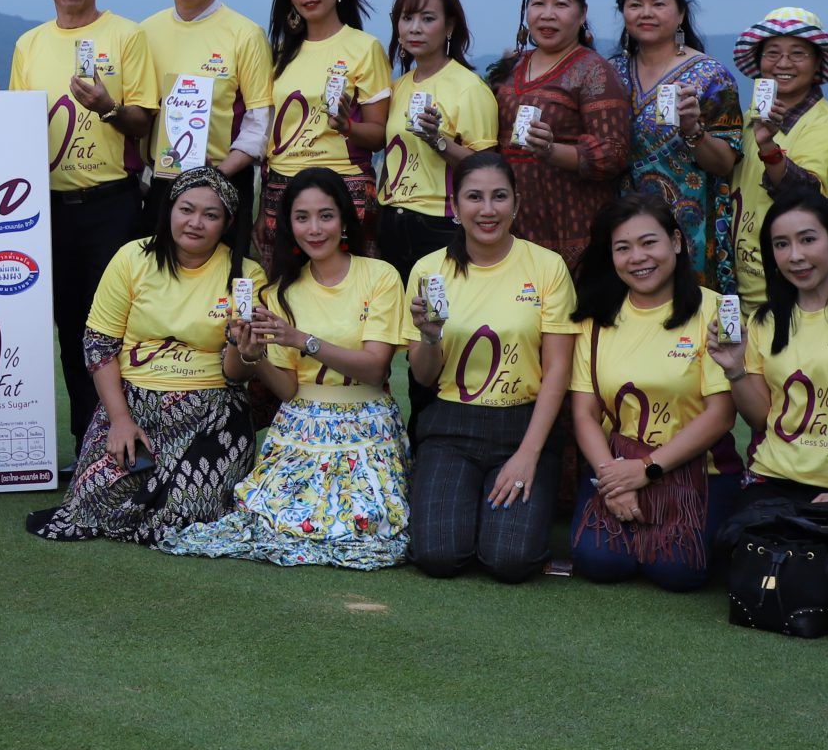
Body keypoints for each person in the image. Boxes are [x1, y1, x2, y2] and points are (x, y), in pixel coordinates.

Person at [162, 168, 416, 570]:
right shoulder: (278, 291)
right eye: (302, 218)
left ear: (344, 219)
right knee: (275, 523)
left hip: (367, 421)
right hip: (300, 425)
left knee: (365, 527)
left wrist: (301, 339)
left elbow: (374, 368)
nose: (314, 229)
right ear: (289, 225)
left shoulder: (379, 275)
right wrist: (253, 353)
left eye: (325, 216)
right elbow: (287, 391)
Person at [28, 166, 262, 547]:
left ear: (228, 223)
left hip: (213, 411)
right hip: (135, 404)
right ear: (169, 209)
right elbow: (99, 345)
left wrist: (243, 350)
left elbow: (235, 375)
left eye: (211, 215)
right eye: (186, 209)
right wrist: (120, 420)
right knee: (92, 502)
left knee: (188, 513)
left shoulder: (246, 277)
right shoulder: (132, 259)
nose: (196, 223)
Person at [7, 0, 158, 456]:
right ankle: (87, 442)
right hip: (46, 209)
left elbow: (144, 121)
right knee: (70, 327)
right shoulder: (29, 44)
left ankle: (131, 438)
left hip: (112, 204)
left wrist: (108, 108)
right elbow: (16, 125)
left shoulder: (127, 35)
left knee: (118, 325)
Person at [404, 151, 577, 582]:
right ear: (454, 205)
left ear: (516, 203)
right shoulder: (430, 269)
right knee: (438, 556)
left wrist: (529, 454)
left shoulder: (547, 266)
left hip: (523, 425)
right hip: (450, 426)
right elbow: (423, 376)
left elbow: (558, 370)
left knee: (510, 560)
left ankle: (502, 516)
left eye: (499, 196)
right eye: (474, 197)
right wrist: (430, 336)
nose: (487, 209)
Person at [562, 193, 736, 591]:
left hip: (696, 469)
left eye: (648, 242)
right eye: (623, 248)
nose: (637, 257)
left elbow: (722, 414)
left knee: (679, 570)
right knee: (598, 561)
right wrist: (612, 479)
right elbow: (585, 414)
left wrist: (646, 470)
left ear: (675, 241)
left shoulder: (714, 310)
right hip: (616, 463)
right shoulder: (595, 319)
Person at [709, 189, 828, 505]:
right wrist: (735, 370)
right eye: (781, 244)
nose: (795, 256)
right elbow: (760, 418)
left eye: (808, 239)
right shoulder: (763, 320)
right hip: (770, 478)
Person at [609, 0, 744, 292]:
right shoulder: (611, 73)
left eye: (659, 4)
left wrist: (693, 131)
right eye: (635, 4)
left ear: (681, 13)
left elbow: (725, 163)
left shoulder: (711, 76)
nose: (646, 13)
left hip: (692, 226)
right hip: (626, 229)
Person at [486, 0, 629, 272]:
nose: (547, 14)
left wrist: (551, 151)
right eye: (538, 3)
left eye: (561, 4)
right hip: (511, 220)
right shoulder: (511, 66)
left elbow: (614, 153)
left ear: (582, 13)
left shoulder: (594, 71)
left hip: (571, 222)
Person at [138, 0, 273, 244]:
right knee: (156, 271)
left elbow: (260, 123)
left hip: (225, 179)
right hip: (161, 181)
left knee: (222, 273)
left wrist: (216, 174)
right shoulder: (144, 32)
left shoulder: (245, 34)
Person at [259, 0, 389, 267]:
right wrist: (262, 207)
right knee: (283, 287)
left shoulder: (364, 48)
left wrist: (348, 127)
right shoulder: (279, 53)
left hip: (344, 189)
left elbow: (378, 135)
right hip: (281, 189)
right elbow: (270, 135)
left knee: (348, 287)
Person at [725, 7, 828, 311]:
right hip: (746, 285)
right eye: (772, 53)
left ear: (817, 63)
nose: (783, 63)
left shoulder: (827, 126)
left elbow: (806, 194)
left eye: (798, 54)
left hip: (801, 288)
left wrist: (768, 146)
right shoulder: (750, 117)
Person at [376, 0, 498, 283]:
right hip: (392, 219)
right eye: (407, 18)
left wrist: (438, 141)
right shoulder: (399, 86)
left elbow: (487, 169)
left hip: (441, 223)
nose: (415, 28)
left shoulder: (469, 88)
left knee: (441, 310)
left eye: (427, 19)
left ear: (449, 26)